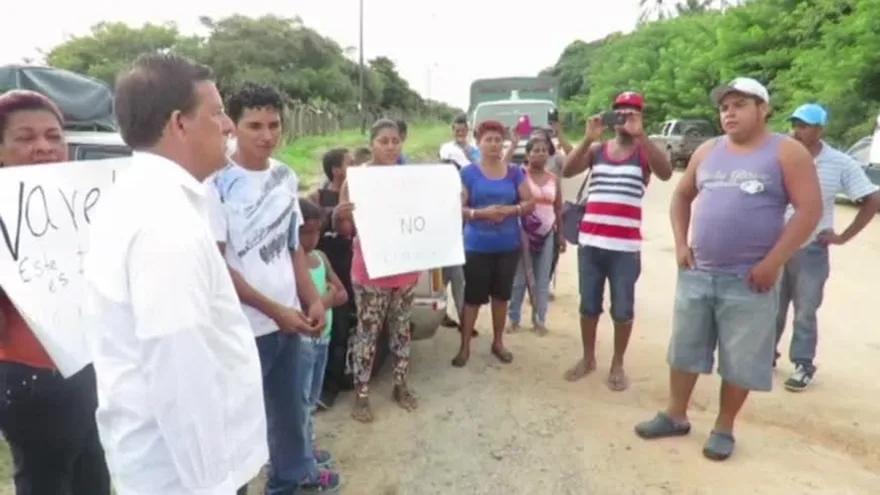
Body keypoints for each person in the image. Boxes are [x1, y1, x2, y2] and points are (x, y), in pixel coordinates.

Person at [84, 54, 268, 494]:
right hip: (186, 477)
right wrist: (211, 485)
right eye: (218, 112)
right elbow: (179, 368)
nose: (228, 126)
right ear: (179, 124)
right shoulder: (165, 223)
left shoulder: (145, 198)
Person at [634, 77, 821, 461]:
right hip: (698, 272)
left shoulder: (787, 152)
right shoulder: (707, 151)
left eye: (739, 104)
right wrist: (681, 244)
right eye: (724, 107)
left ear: (763, 109)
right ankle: (675, 414)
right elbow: (681, 197)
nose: (729, 112)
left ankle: (723, 427)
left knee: (740, 358)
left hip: (750, 280)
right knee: (684, 350)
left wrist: (773, 262)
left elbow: (809, 211)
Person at [205, 82, 341, 493]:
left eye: (274, 124)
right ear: (234, 126)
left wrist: (311, 299)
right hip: (244, 329)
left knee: (290, 416)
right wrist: (274, 310)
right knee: (241, 430)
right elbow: (219, 266)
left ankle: (286, 483)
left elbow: (292, 248)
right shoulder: (216, 182)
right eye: (254, 125)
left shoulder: (285, 176)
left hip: (289, 323)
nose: (266, 135)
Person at [0, 90, 110, 494]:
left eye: (53, 136)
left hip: (88, 364)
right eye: (25, 138)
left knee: (93, 476)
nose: (44, 147)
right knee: (45, 481)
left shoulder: (86, 202)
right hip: (28, 377)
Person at [561, 91, 673, 391]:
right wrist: (587, 138)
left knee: (623, 310)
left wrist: (643, 136)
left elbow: (665, 173)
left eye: (631, 112)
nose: (624, 118)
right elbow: (567, 170)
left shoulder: (644, 152)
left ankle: (618, 362)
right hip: (591, 244)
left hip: (624, 249)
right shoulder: (598, 150)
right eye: (619, 112)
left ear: (640, 116)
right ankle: (588, 358)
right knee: (589, 307)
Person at [775, 103, 880, 391]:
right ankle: (765, 354)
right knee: (771, 305)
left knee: (806, 309)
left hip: (811, 249)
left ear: (820, 129)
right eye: (794, 124)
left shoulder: (839, 163)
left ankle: (803, 364)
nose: (796, 131)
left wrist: (844, 236)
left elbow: (873, 199)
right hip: (775, 245)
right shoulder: (780, 156)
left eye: (804, 125)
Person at [334, 119, 420, 423]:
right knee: (368, 333)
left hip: (405, 269)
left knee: (400, 329)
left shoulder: (410, 178)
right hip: (371, 270)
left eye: (395, 141)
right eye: (384, 141)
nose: (390, 146)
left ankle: (400, 384)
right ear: (372, 143)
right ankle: (362, 394)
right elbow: (345, 228)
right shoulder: (357, 179)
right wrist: (340, 215)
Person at [453, 120, 535, 367]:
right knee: (473, 297)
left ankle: (498, 342)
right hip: (477, 245)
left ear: (504, 143)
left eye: (498, 140)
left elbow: (530, 202)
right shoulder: (468, 173)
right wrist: (481, 214)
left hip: (507, 246)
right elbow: (458, 208)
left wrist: (512, 210)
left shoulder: (514, 172)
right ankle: (464, 346)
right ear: (478, 143)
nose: (493, 144)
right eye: (488, 139)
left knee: (501, 296)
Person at [295, 199, 348, 441]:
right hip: (302, 341)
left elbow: (343, 293)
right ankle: (301, 450)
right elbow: (306, 308)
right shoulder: (290, 265)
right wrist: (326, 299)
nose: (312, 238)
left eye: (317, 231)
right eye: (305, 232)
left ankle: (309, 445)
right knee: (300, 399)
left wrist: (320, 301)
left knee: (313, 396)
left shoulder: (320, 258)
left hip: (323, 340)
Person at [309, 149, 356, 409]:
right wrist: (335, 214)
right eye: (350, 163)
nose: (356, 165)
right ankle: (326, 388)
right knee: (331, 327)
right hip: (327, 271)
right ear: (337, 170)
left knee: (348, 328)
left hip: (352, 267)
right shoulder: (318, 197)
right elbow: (310, 227)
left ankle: (339, 377)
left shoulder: (361, 192)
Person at [507, 135, 565, 335]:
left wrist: (561, 236)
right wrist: (513, 143)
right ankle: (513, 318)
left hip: (548, 231)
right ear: (528, 154)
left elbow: (558, 208)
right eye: (536, 150)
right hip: (524, 231)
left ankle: (539, 320)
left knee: (542, 278)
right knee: (520, 278)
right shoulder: (519, 175)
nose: (541, 154)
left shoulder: (554, 179)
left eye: (544, 150)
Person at [437, 114, 475, 330]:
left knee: (457, 279)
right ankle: (455, 318)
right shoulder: (448, 149)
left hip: (458, 239)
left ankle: (462, 319)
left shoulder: (462, 189)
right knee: (446, 280)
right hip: (446, 241)